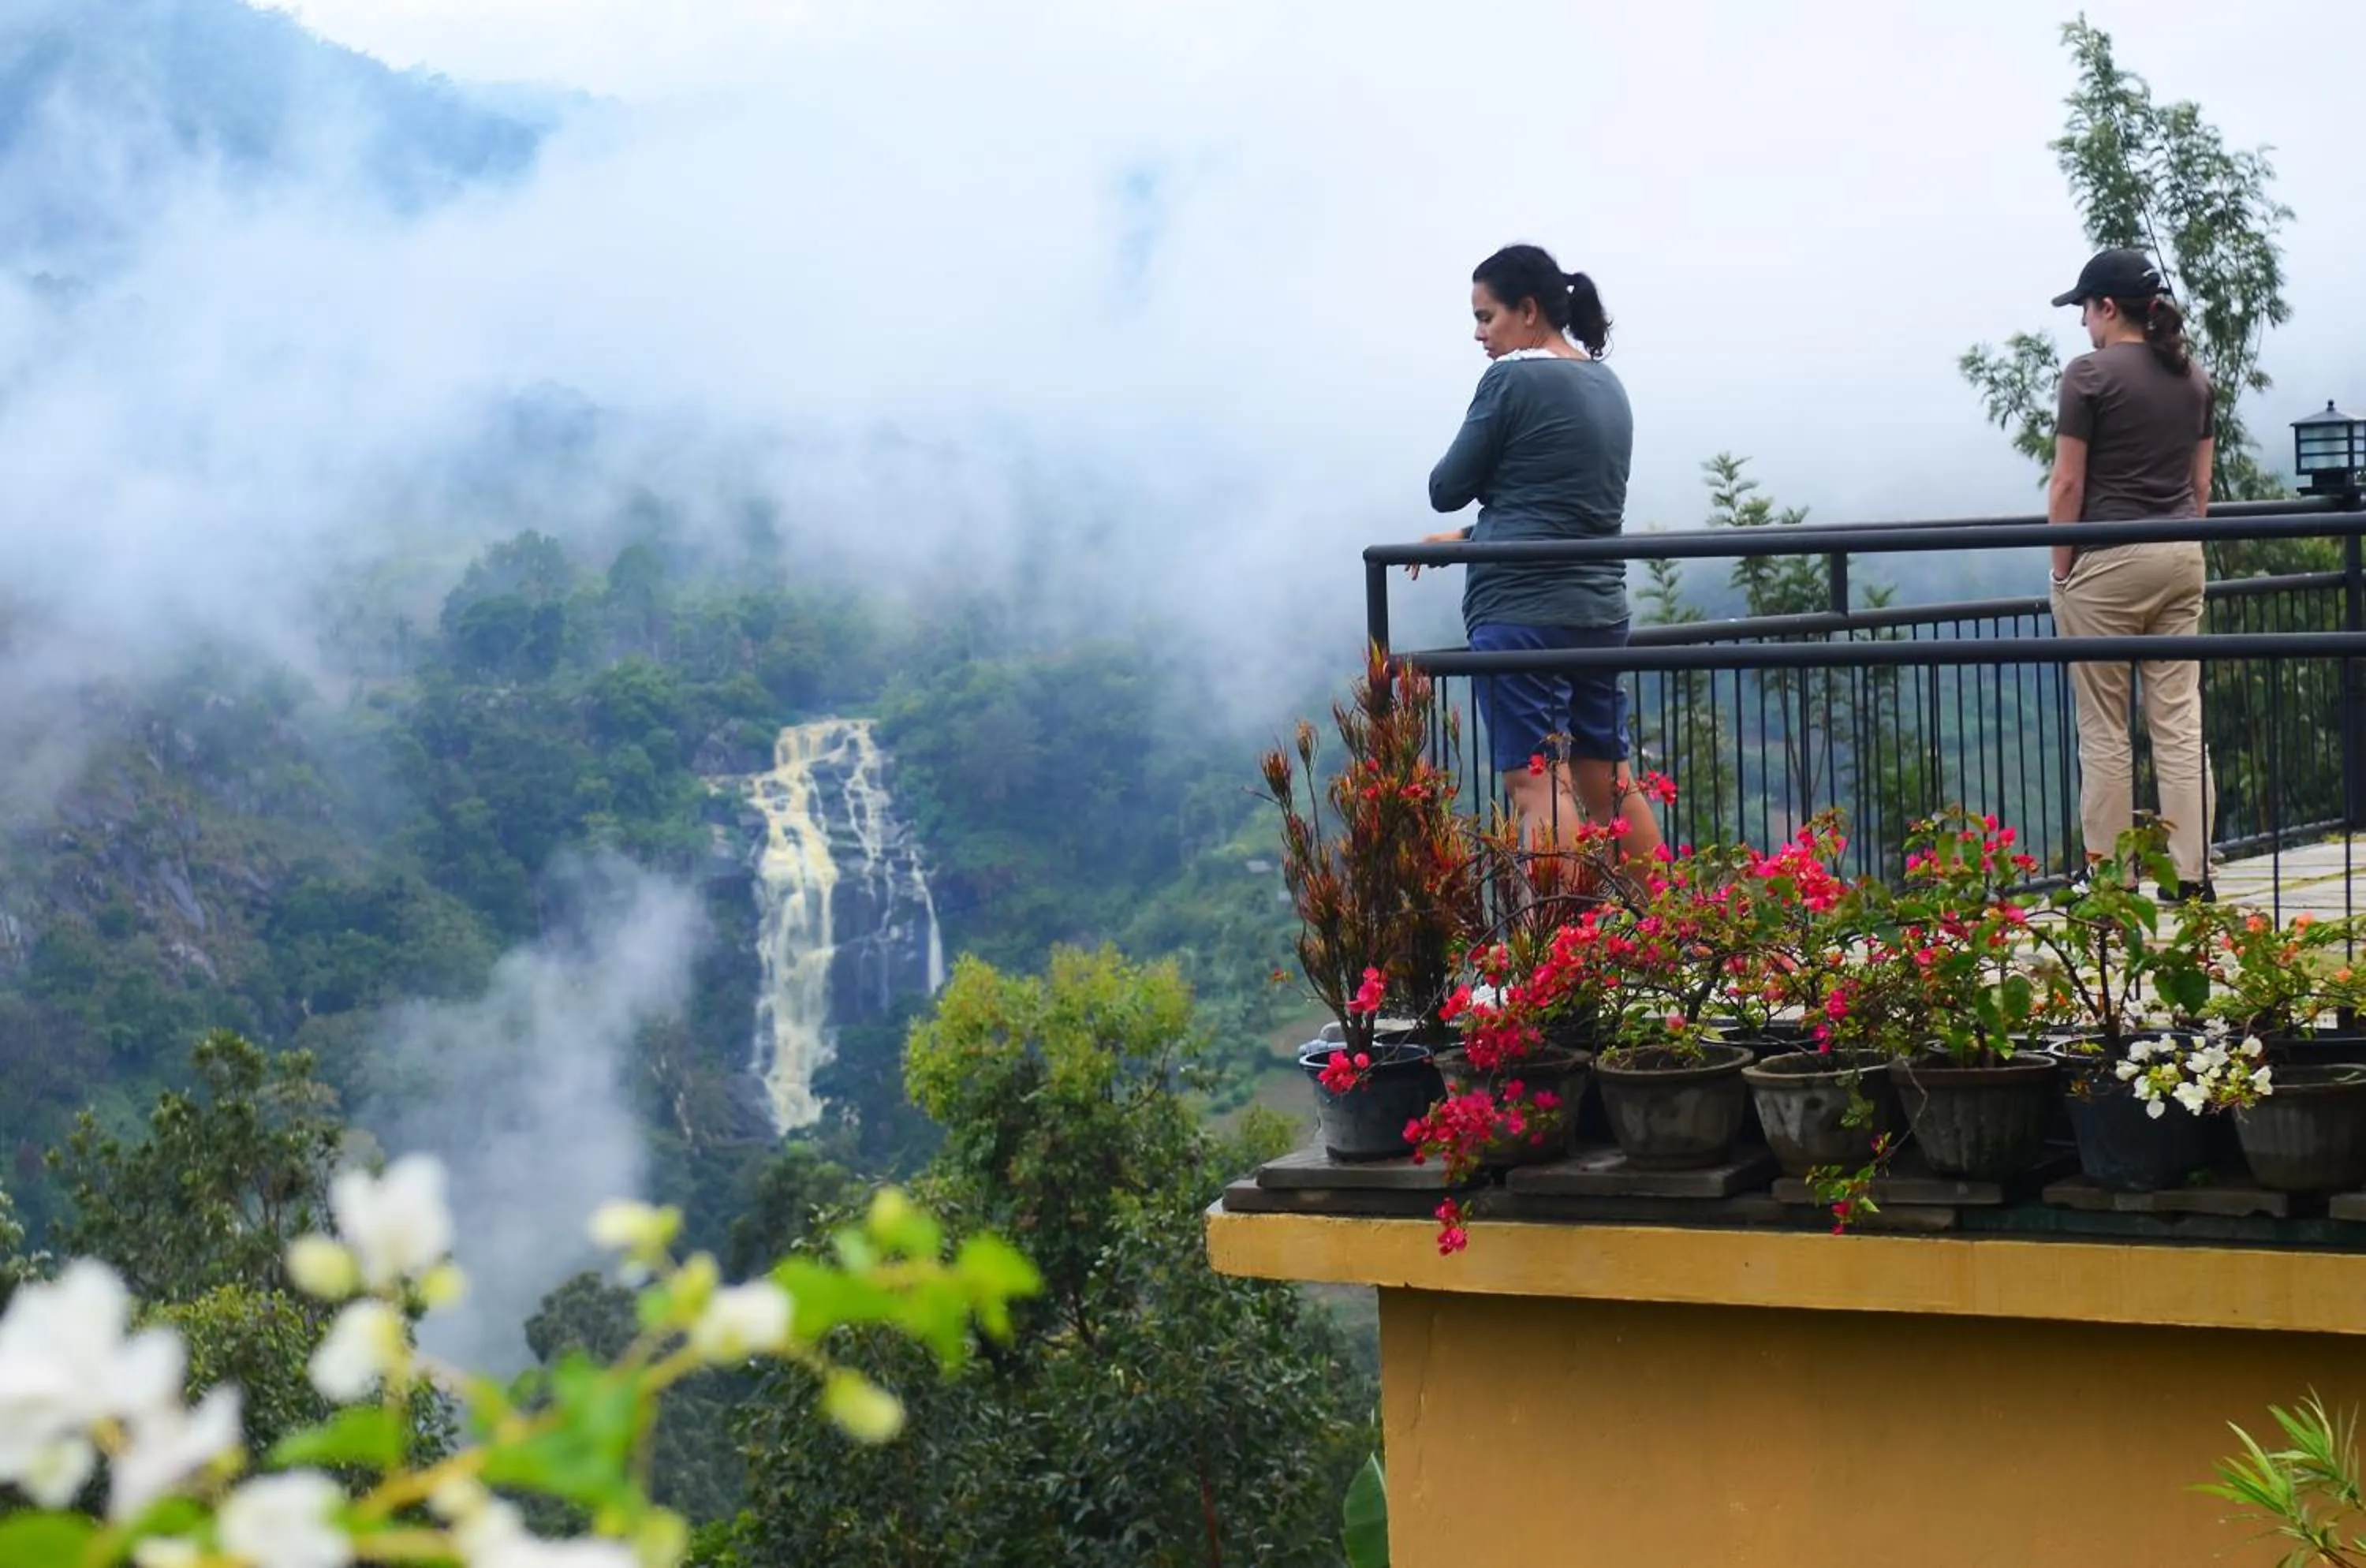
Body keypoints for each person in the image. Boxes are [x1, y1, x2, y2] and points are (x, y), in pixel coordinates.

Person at [1413, 243, 1664, 862]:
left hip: (1522, 610)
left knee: (1535, 785)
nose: (1479, 334)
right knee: (1607, 781)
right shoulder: (1607, 384)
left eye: (1486, 316)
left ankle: (1557, 953)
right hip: (1599, 611)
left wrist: (1474, 524)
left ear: (1528, 311)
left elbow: (1446, 488)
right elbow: (1570, 508)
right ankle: (1675, 930)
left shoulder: (1511, 380)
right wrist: (1474, 539)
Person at [2045, 246, 2218, 899]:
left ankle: (2111, 880)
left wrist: (2064, 571)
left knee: (2105, 727)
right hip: (2181, 554)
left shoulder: (2088, 376)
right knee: (2179, 720)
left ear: (2108, 308)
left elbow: (2067, 485)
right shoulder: (2195, 378)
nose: (2084, 324)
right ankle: (2191, 874)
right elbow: (2199, 486)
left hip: (2108, 562)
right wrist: (2181, 539)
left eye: (2085, 309)